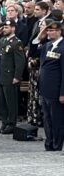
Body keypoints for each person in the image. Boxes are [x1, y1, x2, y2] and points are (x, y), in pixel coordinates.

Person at [34, 20, 64, 151]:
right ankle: (49, 142)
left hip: (56, 90)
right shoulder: (46, 45)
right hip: (45, 88)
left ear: (59, 31)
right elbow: (33, 51)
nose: (49, 33)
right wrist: (39, 36)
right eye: (48, 30)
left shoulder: (62, 47)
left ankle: (57, 144)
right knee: (47, 118)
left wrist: (63, 93)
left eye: (52, 30)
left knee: (56, 119)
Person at [0, 20, 25, 135]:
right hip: (1, 75)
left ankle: (11, 123)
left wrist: (17, 76)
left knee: (10, 101)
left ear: (13, 28)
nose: (4, 29)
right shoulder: (2, 40)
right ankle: (4, 122)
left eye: (7, 27)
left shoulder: (16, 43)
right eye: (4, 27)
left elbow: (20, 61)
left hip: (10, 75)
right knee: (2, 101)